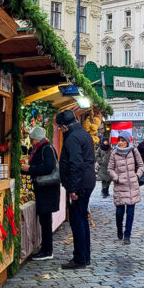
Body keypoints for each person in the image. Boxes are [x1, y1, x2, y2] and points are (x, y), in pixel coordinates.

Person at [56, 109, 96, 269]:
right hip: (87, 181)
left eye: (59, 128)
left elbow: (75, 163)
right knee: (82, 219)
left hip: (80, 184)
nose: (60, 130)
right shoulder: (83, 133)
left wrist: (73, 188)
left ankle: (80, 258)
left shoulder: (72, 138)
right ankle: (85, 256)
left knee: (77, 221)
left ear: (64, 127)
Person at [24, 125, 60, 261]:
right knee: (45, 220)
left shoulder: (46, 149)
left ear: (37, 139)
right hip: (45, 189)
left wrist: (30, 168)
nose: (31, 142)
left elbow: (48, 167)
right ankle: (45, 248)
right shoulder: (44, 147)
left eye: (32, 139)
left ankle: (47, 250)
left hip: (47, 189)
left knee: (45, 221)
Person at [108, 132, 144, 244]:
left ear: (127, 141)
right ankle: (119, 228)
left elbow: (141, 165)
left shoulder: (134, 151)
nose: (120, 143)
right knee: (119, 211)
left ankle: (127, 235)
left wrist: (137, 175)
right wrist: (116, 178)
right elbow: (110, 169)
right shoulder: (114, 153)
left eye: (123, 141)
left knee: (130, 211)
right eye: (119, 140)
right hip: (120, 185)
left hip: (132, 186)